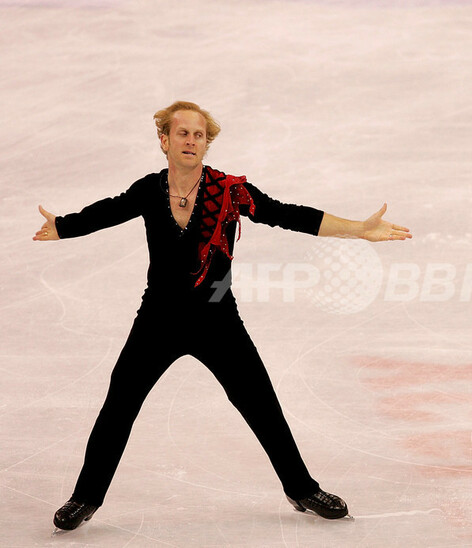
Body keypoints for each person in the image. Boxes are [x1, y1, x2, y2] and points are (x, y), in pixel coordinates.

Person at [34, 101, 412, 530]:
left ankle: (301, 488)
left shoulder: (229, 192)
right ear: (164, 140)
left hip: (216, 318)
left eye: (199, 135)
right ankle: (85, 498)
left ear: (206, 143)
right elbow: (108, 210)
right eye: (182, 133)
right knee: (119, 405)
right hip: (158, 319)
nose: (191, 141)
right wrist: (63, 226)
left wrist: (359, 229)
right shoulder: (148, 190)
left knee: (261, 404)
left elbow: (286, 214)